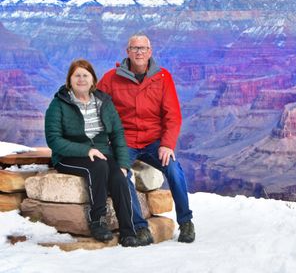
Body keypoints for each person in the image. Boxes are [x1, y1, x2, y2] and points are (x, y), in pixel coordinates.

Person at [45, 59, 153, 247]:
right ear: (69, 80)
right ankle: (98, 221)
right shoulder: (58, 104)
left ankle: (128, 232)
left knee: (119, 178)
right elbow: (54, 140)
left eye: (85, 75)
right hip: (69, 156)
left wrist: (123, 164)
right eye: (76, 75)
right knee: (98, 167)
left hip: (101, 153)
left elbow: (118, 133)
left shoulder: (103, 102)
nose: (81, 79)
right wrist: (86, 149)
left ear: (93, 80)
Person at [98, 33, 195, 243]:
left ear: (150, 52)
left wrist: (167, 145)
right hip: (125, 141)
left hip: (154, 141)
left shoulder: (163, 77)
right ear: (128, 52)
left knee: (174, 169)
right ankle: (140, 228)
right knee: (122, 175)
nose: (139, 52)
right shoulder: (111, 78)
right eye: (135, 48)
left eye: (143, 48)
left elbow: (173, 115)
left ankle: (186, 222)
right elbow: (96, 108)